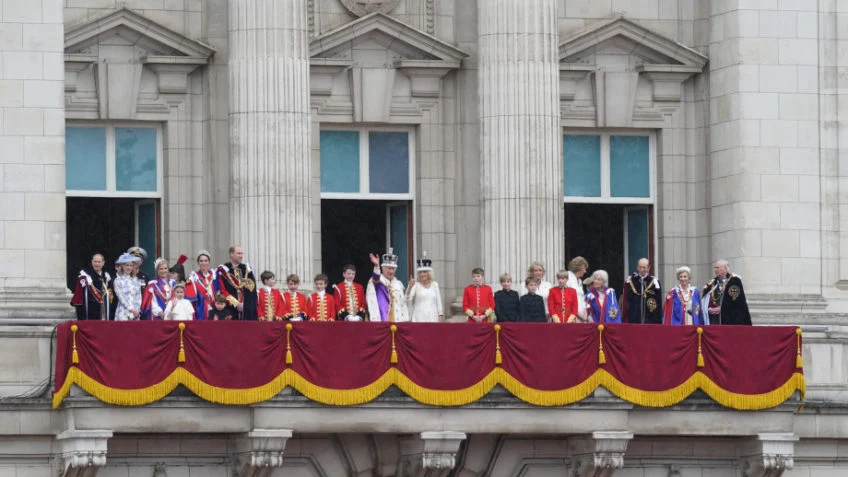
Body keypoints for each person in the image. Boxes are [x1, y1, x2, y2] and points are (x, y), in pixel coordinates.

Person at [701, 259, 751, 326]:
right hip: (713, 319)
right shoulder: (713, 282)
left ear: (725, 268)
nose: (715, 270)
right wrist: (708, 308)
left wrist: (722, 308)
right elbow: (706, 299)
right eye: (714, 268)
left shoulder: (734, 281)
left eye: (717, 268)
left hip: (729, 319)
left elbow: (736, 301)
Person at [366, 248, 410, 322]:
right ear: (382, 268)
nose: (391, 271)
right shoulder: (379, 282)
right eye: (389, 268)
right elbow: (375, 278)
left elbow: (402, 303)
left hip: (398, 321)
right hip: (383, 320)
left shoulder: (398, 284)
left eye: (393, 269)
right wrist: (377, 266)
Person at [216, 245, 258, 320]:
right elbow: (222, 290)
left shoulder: (247, 269)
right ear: (231, 254)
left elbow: (252, 289)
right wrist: (236, 303)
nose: (241, 256)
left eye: (242, 254)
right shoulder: (223, 270)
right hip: (229, 308)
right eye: (238, 253)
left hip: (245, 309)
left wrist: (245, 304)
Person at [70, 253, 112, 320]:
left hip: (104, 312)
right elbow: (79, 297)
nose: (97, 264)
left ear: (103, 263)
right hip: (89, 313)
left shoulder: (107, 277)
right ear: (92, 262)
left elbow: (111, 297)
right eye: (95, 262)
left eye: (99, 262)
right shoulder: (85, 277)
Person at [622, 258, 663, 324]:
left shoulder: (655, 282)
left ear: (648, 268)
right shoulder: (631, 281)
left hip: (650, 319)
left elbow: (658, 302)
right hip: (634, 319)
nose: (642, 270)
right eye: (640, 267)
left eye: (644, 267)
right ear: (637, 267)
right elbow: (627, 301)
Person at [405, 252, 444, 323]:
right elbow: (407, 299)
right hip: (418, 318)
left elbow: (439, 302)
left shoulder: (435, 285)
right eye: (420, 272)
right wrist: (410, 287)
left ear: (429, 273)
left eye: (424, 272)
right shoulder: (415, 285)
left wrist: (440, 316)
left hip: (433, 318)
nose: (422, 274)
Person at [185, 251, 218, 321]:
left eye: (206, 261)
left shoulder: (214, 276)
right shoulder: (193, 277)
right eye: (201, 261)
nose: (203, 263)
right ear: (198, 262)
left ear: (209, 262)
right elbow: (190, 298)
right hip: (200, 308)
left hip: (214, 308)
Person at [113, 253, 143, 321]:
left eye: (131, 265)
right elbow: (121, 297)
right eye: (127, 265)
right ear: (122, 266)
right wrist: (131, 309)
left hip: (135, 313)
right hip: (123, 312)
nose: (129, 267)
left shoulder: (136, 280)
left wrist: (137, 310)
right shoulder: (118, 280)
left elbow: (139, 296)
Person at [566, 257, 590, 322]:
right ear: (579, 268)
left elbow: (581, 298)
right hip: (571, 315)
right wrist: (579, 314)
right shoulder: (568, 278)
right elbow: (568, 300)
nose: (585, 271)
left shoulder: (579, 281)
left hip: (581, 316)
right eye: (584, 269)